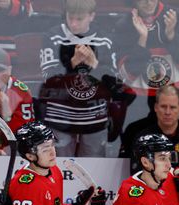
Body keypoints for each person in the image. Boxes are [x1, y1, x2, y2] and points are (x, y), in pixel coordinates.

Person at [38, 0, 120, 157]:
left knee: (92, 170)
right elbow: (48, 80)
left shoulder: (105, 40)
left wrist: (95, 65)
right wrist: (73, 63)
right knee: (59, 167)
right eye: (70, 18)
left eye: (79, 19)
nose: (73, 24)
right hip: (59, 115)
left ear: (91, 16)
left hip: (94, 117)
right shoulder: (53, 37)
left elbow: (114, 84)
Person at [114, 0, 179, 119]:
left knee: (178, 137)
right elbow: (127, 75)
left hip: (175, 97)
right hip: (140, 102)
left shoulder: (177, 16)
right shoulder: (124, 24)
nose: (149, 2)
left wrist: (172, 36)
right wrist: (142, 41)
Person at [120, 85, 179, 175]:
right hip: (152, 189)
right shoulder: (143, 139)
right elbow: (138, 175)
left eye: (172, 107)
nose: (167, 112)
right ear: (156, 107)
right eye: (163, 106)